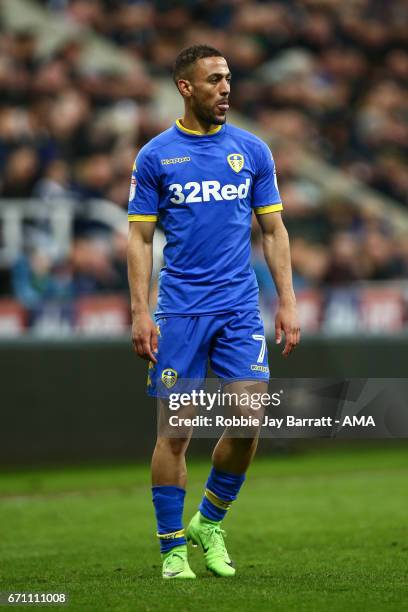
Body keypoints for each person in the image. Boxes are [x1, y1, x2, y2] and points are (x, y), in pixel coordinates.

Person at [127, 45, 300, 580]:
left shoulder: (252, 150)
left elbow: (273, 230)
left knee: (248, 424)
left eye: (229, 79)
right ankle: (171, 547)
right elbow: (138, 239)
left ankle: (209, 520)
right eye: (215, 80)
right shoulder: (156, 156)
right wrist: (139, 310)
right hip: (180, 311)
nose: (226, 88)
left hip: (239, 309)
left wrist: (288, 300)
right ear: (185, 87)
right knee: (176, 433)